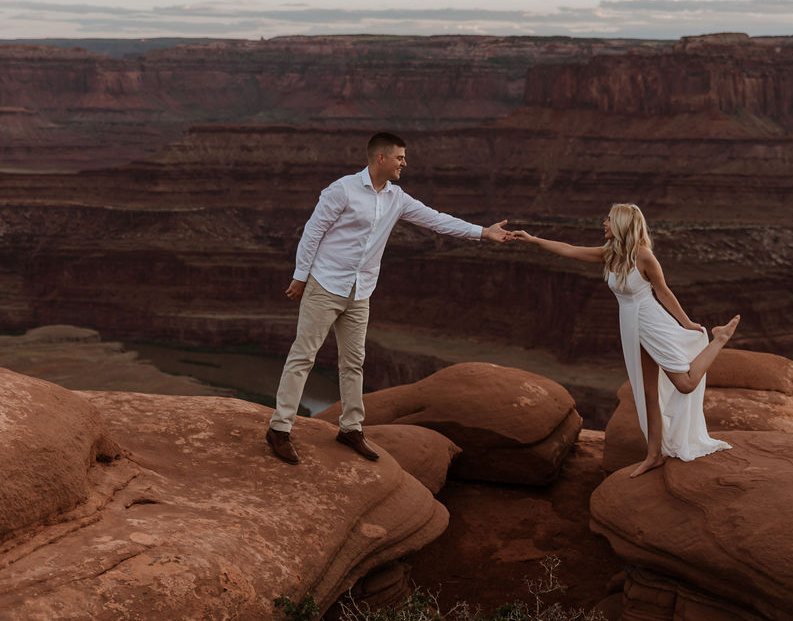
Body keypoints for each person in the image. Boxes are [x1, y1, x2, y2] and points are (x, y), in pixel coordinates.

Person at [266, 132, 511, 465]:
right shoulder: (343, 190)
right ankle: (279, 429)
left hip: (360, 290)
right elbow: (313, 232)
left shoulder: (397, 198)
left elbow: (436, 220)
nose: (404, 164)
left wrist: (483, 232)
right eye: (400, 157)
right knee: (304, 356)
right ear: (380, 158)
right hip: (325, 285)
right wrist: (300, 277)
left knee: (353, 362)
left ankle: (351, 428)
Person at [512, 203, 739, 477]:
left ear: (621, 223)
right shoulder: (610, 254)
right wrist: (534, 240)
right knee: (647, 393)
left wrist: (686, 323)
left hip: (652, 323)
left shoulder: (644, 257)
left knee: (685, 383)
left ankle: (719, 339)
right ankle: (654, 455)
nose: (604, 223)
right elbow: (569, 249)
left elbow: (663, 293)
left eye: (608, 219)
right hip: (631, 326)